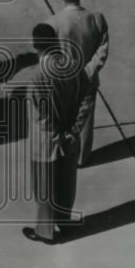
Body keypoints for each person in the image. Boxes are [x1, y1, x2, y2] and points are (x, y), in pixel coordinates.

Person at [21, 23, 85, 245]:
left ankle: (45, 232)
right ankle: (64, 222)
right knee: (67, 183)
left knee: (44, 188)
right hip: (71, 138)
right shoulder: (74, 66)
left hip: (46, 142)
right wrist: (74, 130)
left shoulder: (37, 76)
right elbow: (87, 98)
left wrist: (58, 135)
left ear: (36, 46)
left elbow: (42, 115)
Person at [44, 0, 109, 167]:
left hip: (63, 81)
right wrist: (88, 70)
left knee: (63, 119)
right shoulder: (97, 19)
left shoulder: (52, 23)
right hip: (88, 79)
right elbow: (102, 50)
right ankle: (82, 158)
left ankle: (64, 154)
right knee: (86, 119)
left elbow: (48, 55)